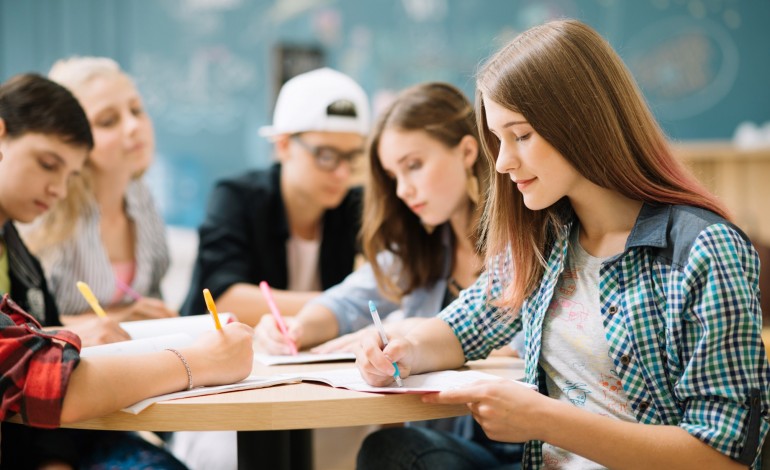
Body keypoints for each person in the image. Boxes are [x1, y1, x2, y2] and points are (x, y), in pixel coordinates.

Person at [356, 19, 770, 469]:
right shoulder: (546, 237)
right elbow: (463, 327)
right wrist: (402, 350)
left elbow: (724, 458)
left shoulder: (705, 249)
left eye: (522, 136)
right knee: (393, 451)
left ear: (581, 121)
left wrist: (546, 421)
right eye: (498, 140)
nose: (504, 163)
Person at [255, 81, 521, 467]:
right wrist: (296, 328)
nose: (402, 190)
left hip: (524, 443)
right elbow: (346, 301)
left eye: (413, 166)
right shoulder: (423, 245)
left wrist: (406, 332)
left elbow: (523, 349)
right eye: (393, 175)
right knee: (387, 448)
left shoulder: (525, 240)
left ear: (466, 151)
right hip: (455, 444)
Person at [0, 72, 254, 469]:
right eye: (47, 165)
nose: (57, 189)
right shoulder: (37, 233)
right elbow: (44, 373)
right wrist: (199, 360)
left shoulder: (17, 246)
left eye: (68, 175)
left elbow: (39, 346)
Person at [180, 67, 369, 326]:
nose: (342, 173)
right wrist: (343, 304)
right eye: (327, 156)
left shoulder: (354, 205)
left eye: (353, 157)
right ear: (283, 145)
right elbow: (223, 300)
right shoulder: (236, 197)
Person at [23, 56, 176, 326]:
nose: (133, 126)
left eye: (137, 110)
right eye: (108, 121)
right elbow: (22, 328)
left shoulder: (141, 196)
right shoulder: (42, 210)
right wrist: (117, 320)